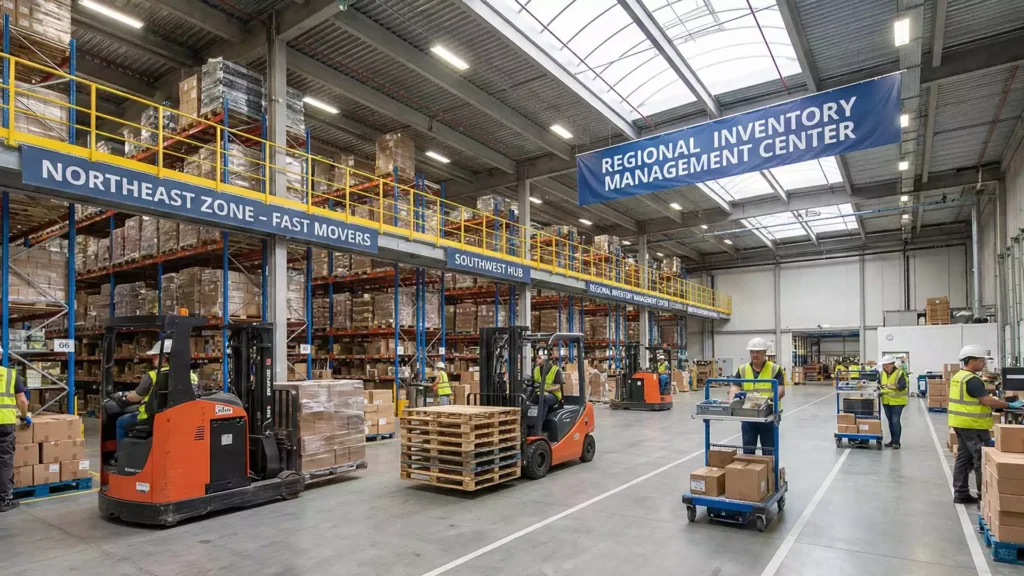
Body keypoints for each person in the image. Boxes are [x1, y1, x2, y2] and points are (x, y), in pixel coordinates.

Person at [949, 345, 1023, 504]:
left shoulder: (958, 376)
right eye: (982, 360)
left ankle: (961, 493)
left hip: (960, 423)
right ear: (972, 361)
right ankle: (984, 499)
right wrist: (1009, 405)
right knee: (980, 459)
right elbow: (986, 400)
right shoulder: (972, 380)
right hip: (973, 425)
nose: (984, 363)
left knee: (963, 459)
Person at [113, 340, 198, 450]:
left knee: (120, 422)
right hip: (180, 419)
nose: (152, 359)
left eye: (155, 357)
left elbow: (134, 397)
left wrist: (124, 397)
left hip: (152, 418)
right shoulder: (191, 375)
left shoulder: (153, 375)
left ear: (164, 358)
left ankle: (120, 454)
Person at [730, 337, 785, 455]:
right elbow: (735, 387)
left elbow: (781, 390)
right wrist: (732, 401)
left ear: (765, 352)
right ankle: (751, 467)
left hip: (769, 416)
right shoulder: (742, 369)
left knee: (769, 450)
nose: (754, 355)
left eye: (758, 352)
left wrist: (770, 400)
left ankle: (769, 467)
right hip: (748, 415)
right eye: (752, 352)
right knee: (748, 450)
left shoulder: (774, 369)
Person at [0, 350, 31, 512]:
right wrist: (24, 416)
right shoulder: (11, 375)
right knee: (4, 461)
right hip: (4, 423)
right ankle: (3, 500)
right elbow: (22, 401)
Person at [878, 355, 908, 449]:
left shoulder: (900, 373)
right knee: (890, 421)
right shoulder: (882, 373)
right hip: (886, 401)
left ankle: (897, 442)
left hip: (898, 401)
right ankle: (892, 440)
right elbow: (879, 384)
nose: (885, 367)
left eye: (887, 365)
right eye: (884, 365)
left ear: (892, 364)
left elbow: (902, 386)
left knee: (895, 420)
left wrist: (893, 387)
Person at [532, 349, 563, 421]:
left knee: (544, 399)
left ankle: (539, 423)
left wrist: (546, 389)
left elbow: (557, 387)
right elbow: (533, 382)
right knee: (525, 399)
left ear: (545, 359)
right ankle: (528, 422)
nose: (536, 359)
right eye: (536, 357)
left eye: (539, 358)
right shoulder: (536, 369)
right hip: (540, 394)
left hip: (553, 395)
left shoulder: (556, 370)